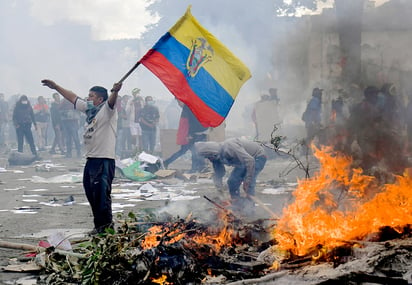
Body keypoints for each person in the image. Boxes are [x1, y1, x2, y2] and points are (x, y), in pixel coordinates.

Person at [41, 79, 122, 234]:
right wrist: (57, 86)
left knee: (101, 195)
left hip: (104, 159)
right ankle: (99, 225)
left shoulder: (107, 110)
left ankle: (105, 228)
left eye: (91, 96)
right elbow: (73, 98)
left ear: (99, 99)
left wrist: (115, 91)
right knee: (90, 192)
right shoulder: (90, 110)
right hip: (91, 159)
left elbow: (112, 101)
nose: (88, 98)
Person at [195, 137, 267, 211]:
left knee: (249, 185)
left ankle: (250, 209)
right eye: (206, 157)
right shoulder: (216, 157)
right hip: (242, 163)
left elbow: (250, 161)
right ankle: (237, 206)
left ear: (212, 152)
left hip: (257, 157)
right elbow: (219, 174)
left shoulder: (230, 147)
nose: (209, 159)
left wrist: (247, 181)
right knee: (232, 182)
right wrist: (221, 193)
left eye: (208, 156)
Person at [163, 101, 207, 172]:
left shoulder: (189, 108)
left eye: (179, 102)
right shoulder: (189, 108)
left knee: (192, 151)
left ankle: (198, 167)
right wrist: (190, 134)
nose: (179, 104)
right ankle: (197, 168)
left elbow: (191, 122)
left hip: (195, 133)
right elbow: (189, 123)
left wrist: (190, 133)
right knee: (194, 151)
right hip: (195, 134)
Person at [127, 88, 144, 153]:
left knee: (140, 136)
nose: (138, 94)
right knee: (133, 136)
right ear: (133, 94)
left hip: (140, 121)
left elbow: (144, 108)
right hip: (132, 121)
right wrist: (131, 103)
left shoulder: (141, 100)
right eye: (137, 92)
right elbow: (127, 111)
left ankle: (140, 150)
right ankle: (133, 148)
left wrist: (142, 100)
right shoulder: (130, 100)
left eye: (138, 92)